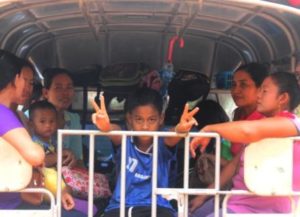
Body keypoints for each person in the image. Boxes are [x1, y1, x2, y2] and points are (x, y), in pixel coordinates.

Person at [189, 71, 300, 216]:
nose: (259, 96)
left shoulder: (291, 124)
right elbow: (234, 165)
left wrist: (210, 129)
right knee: (193, 212)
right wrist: (203, 196)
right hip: (237, 201)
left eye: (264, 91)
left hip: (261, 209)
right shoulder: (262, 127)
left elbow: (248, 131)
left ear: (282, 98)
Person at [92, 87, 199, 217]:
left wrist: (180, 129)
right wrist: (106, 126)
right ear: (129, 119)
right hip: (120, 207)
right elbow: (114, 131)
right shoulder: (124, 140)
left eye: (151, 119)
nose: (145, 126)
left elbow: (171, 136)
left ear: (161, 118)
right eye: (139, 119)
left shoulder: (162, 142)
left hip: (157, 207)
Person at [0, 50, 45, 209]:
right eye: (24, 79)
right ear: (16, 78)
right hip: (8, 206)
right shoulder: (3, 114)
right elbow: (35, 156)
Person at [27, 99, 87, 216]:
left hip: (58, 188)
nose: (48, 125)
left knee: (91, 208)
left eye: (52, 121)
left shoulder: (51, 144)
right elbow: (39, 161)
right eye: (42, 121)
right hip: (45, 190)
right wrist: (58, 156)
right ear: (31, 124)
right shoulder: (32, 144)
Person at [42, 68, 82, 167]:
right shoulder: (29, 117)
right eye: (58, 88)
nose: (65, 93)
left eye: (69, 87)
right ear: (46, 93)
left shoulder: (73, 119)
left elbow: (78, 158)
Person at [230, 63, 269, 156]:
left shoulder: (266, 119)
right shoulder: (239, 114)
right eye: (233, 84)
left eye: (243, 85)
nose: (235, 90)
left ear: (260, 89)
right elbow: (239, 161)